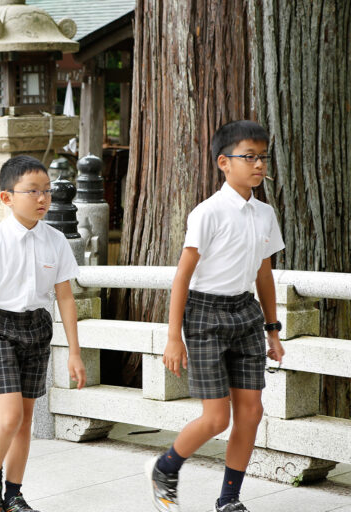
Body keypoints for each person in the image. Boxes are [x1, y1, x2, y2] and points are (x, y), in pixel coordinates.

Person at [146, 120, 285, 512]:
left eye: (262, 157)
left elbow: (264, 274)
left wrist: (272, 330)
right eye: (249, 157)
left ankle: (229, 500)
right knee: (215, 419)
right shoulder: (207, 213)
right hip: (205, 315)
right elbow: (182, 276)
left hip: (245, 314)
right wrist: (174, 336)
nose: (258, 165)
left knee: (252, 412)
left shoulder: (264, 215)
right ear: (224, 162)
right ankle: (165, 466)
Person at [0, 155, 86, 512]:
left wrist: (76, 353)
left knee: (26, 420)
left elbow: (65, 298)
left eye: (47, 191)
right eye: (32, 191)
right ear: (6, 197)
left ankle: (13, 493)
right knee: (9, 417)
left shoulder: (55, 240)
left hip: (38, 329)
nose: (42, 199)